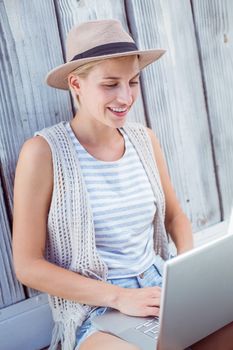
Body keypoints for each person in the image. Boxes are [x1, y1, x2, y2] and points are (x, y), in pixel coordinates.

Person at [12, 19, 230, 350]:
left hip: (160, 289)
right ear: (76, 84)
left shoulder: (144, 140)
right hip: (97, 308)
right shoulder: (43, 152)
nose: (125, 97)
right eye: (111, 84)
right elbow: (27, 266)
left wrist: (187, 281)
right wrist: (119, 296)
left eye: (133, 81)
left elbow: (174, 216)